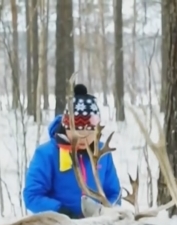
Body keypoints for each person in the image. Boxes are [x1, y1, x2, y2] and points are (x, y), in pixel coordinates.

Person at [23, 84, 122, 218]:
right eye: (77, 129)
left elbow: (114, 193)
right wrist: (60, 211)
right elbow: (32, 196)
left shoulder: (103, 154)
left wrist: (105, 213)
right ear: (66, 127)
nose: (83, 135)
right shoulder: (47, 154)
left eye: (90, 129)